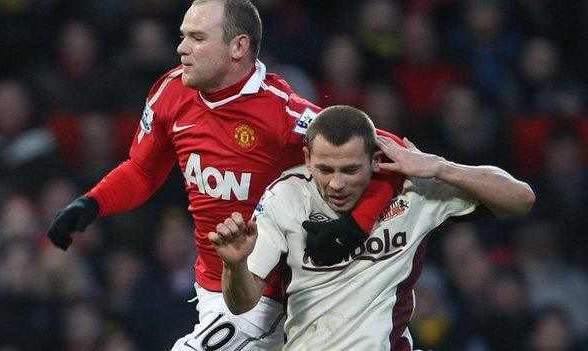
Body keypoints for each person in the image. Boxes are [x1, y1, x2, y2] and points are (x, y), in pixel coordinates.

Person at [46, 1, 403, 350]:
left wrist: (356, 224)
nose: (181, 48)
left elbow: (388, 154)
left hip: (271, 295)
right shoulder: (171, 92)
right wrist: (92, 203)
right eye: (184, 36)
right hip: (213, 289)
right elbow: (142, 170)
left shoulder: (281, 113)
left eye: (197, 38)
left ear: (238, 46)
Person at [209, 105, 535, 350]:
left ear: (375, 160)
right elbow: (241, 302)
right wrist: (234, 264)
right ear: (307, 158)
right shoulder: (286, 196)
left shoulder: (414, 190)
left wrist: (439, 166)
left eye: (350, 170)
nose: (336, 183)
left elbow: (521, 199)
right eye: (325, 169)